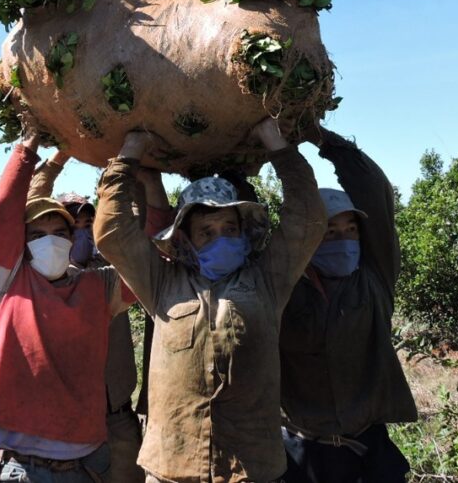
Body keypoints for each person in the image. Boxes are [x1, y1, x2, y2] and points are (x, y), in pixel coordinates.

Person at [94, 118, 326, 483]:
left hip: (251, 470)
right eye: (206, 231)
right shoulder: (161, 282)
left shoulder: (268, 279)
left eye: (229, 229)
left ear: (245, 234)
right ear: (184, 239)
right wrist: (130, 154)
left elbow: (308, 220)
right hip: (172, 468)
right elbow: (111, 233)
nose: (221, 238)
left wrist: (277, 146)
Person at [0, 133, 134, 482]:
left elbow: (144, 258)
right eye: (37, 235)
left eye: (60, 232)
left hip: (86, 465)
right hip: (22, 467)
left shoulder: (99, 285)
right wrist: (29, 149)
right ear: (24, 244)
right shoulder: (8, 283)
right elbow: (2, 219)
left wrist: (130, 171)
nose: (51, 240)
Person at [279, 126, 418, 482]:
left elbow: (374, 193)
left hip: (367, 452)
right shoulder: (282, 287)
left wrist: (321, 138)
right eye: (329, 232)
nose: (343, 240)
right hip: (300, 452)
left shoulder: (374, 280)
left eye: (351, 230)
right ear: (309, 239)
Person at [29, 151, 163, 483]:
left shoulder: (104, 282)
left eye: (88, 225)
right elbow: (27, 208)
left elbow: (146, 244)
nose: (81, 234)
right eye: (71, 227)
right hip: (60, 431)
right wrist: (58, 157)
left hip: (118, 423)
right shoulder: (33, 285)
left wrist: (134, 180)